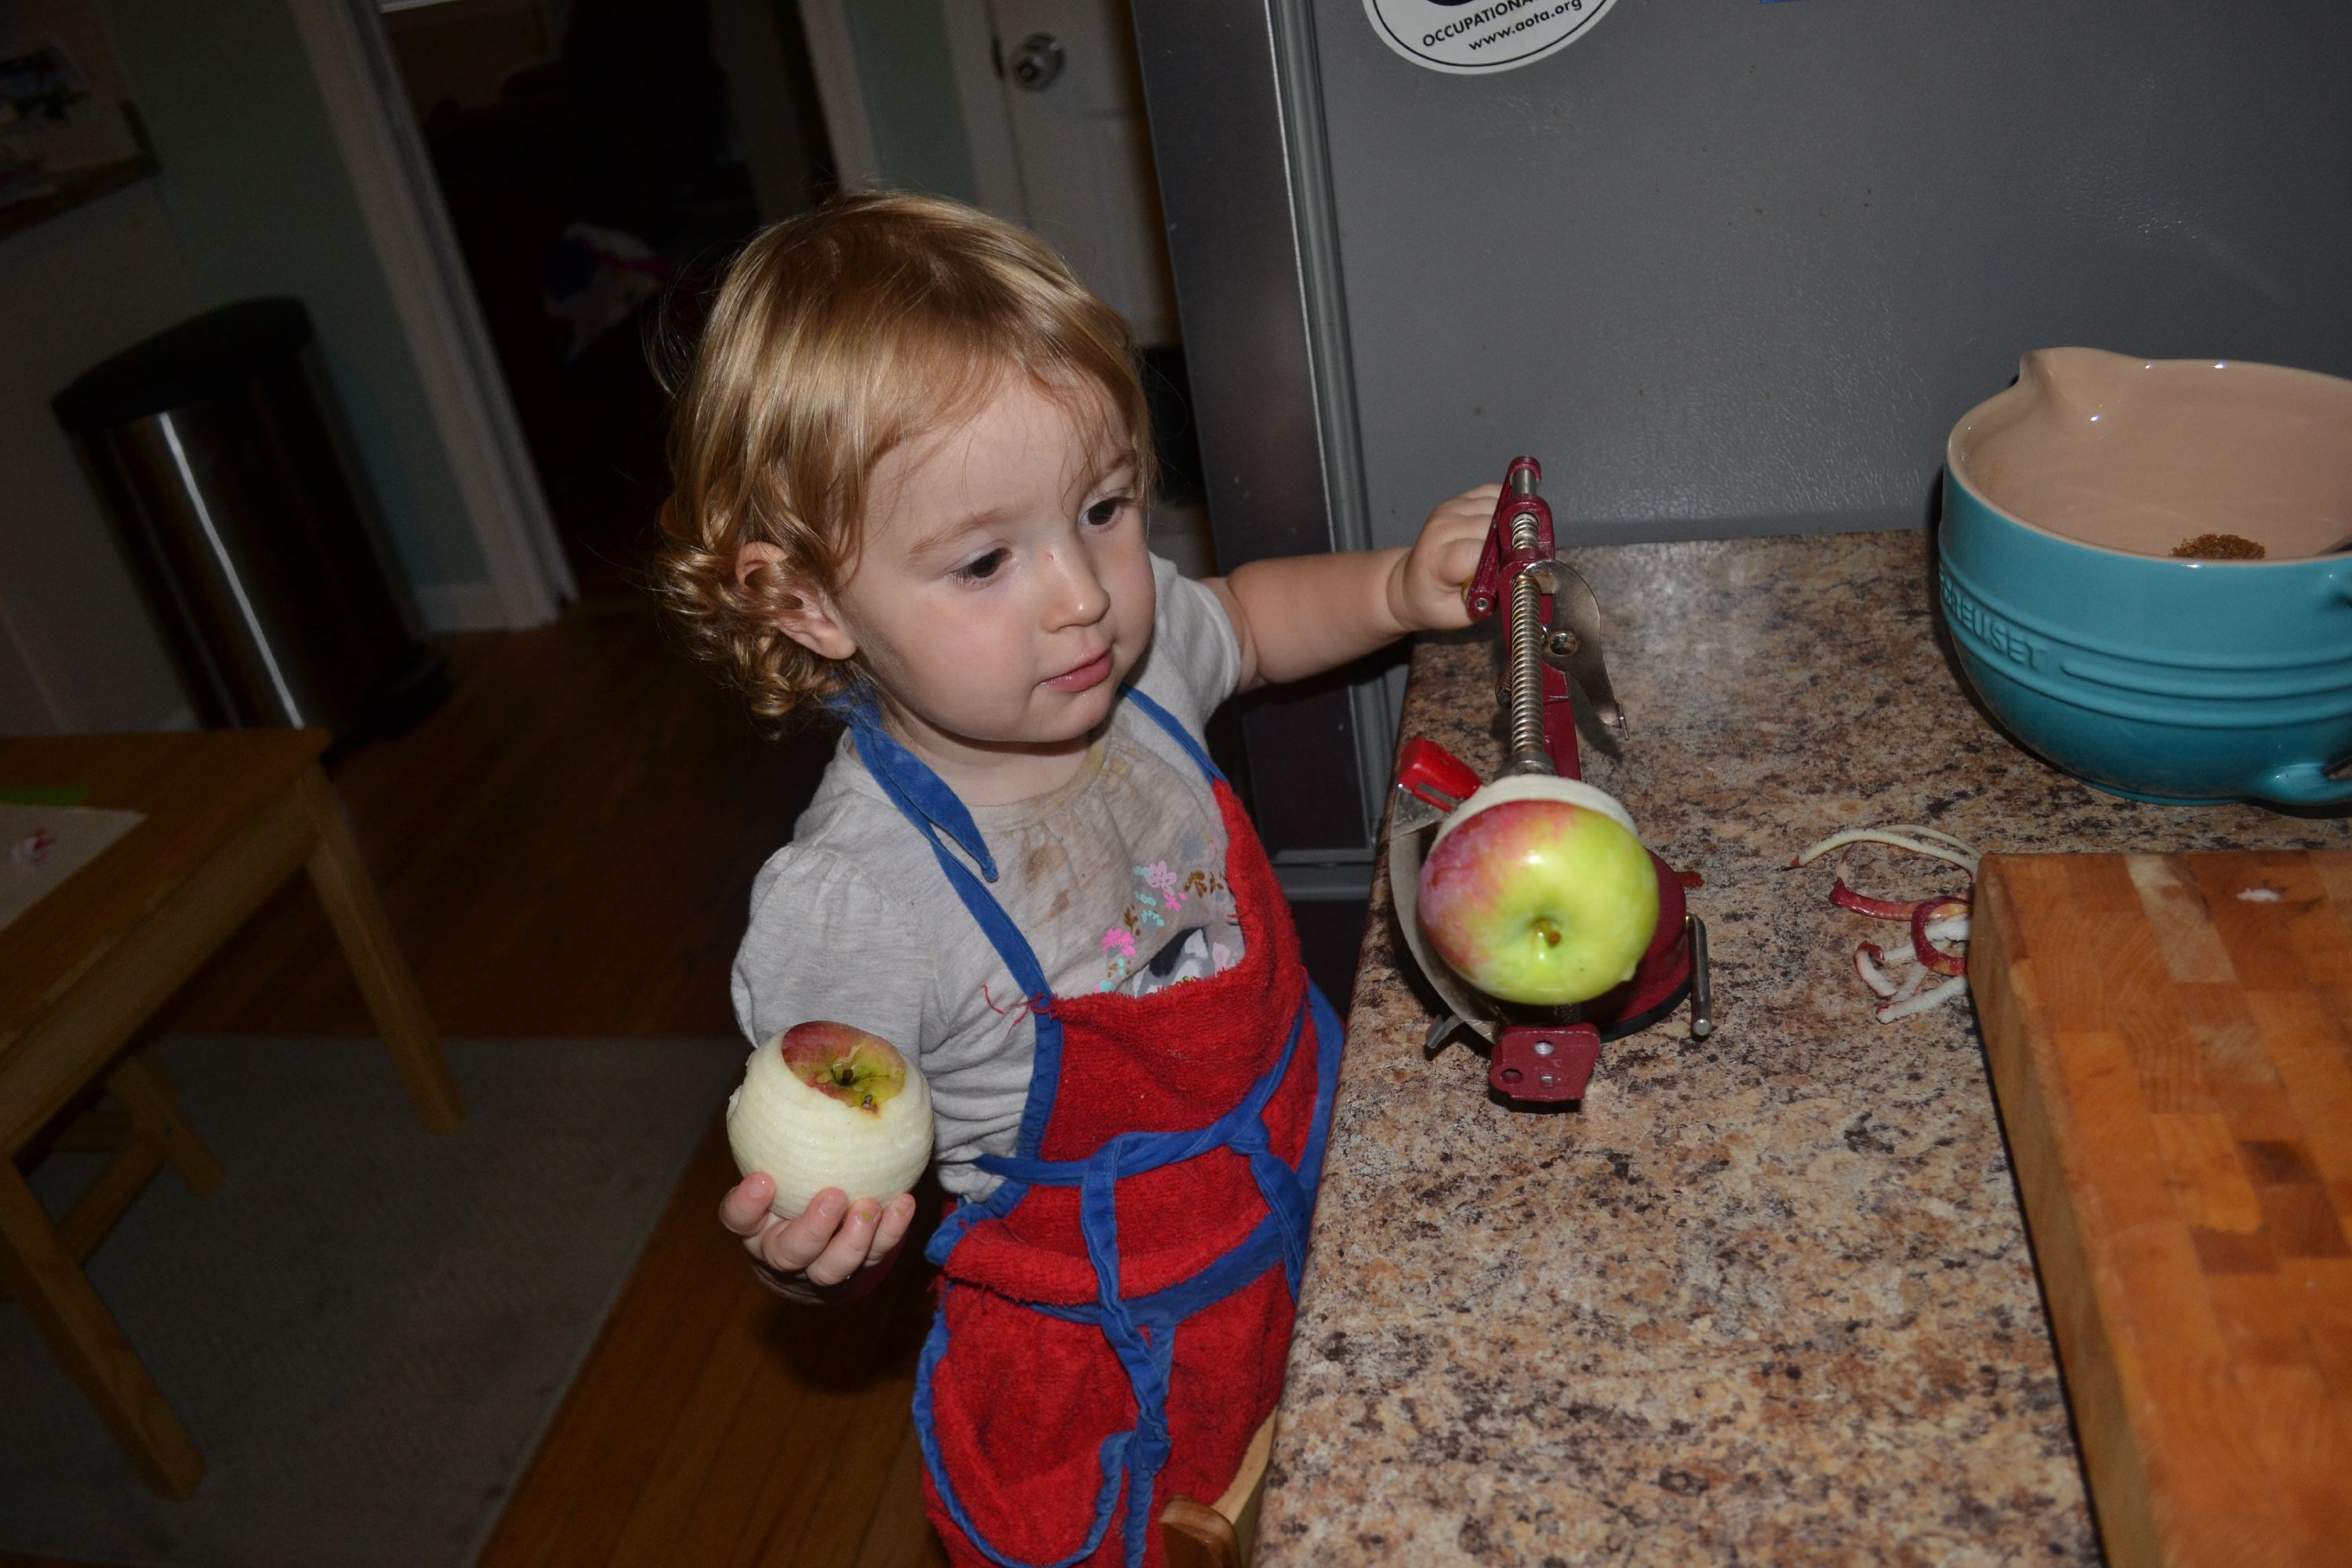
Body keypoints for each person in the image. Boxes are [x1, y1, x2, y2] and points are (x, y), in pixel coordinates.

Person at [652, 191, 1491, 1568]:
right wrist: (812, 1247)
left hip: (1295, 1203)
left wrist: (1399, 586)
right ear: (806, 602)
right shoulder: (861, 900)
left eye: (1102, 509)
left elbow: (1258, 619)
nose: (1082, 594)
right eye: (986, 560)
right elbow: (820, 1128)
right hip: (1108, 1365)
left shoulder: (1138, 671)